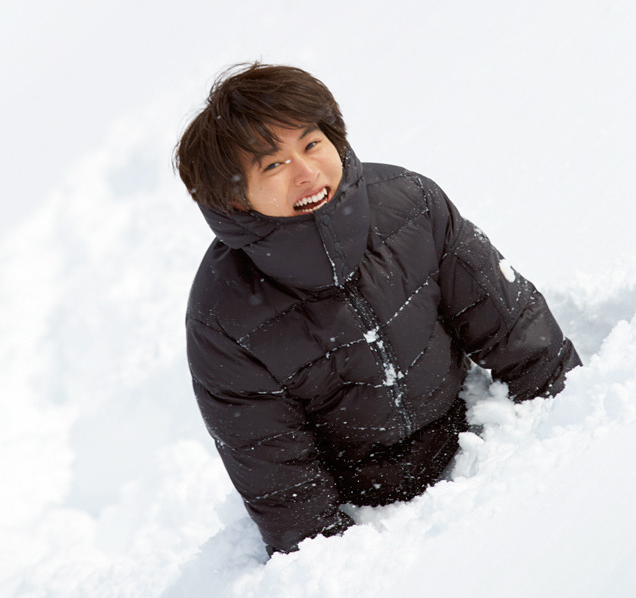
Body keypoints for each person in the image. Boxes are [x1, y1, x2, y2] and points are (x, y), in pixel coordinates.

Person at [174, 62, 580, 556]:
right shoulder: (224, 317)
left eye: (311, 144)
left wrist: (574, 439)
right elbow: (283, 485)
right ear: (235, 196)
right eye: (273, 165)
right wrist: (350, 562)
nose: (306, 173)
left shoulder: (411, 205)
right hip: (372, 521)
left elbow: (516, 332)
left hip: (482, 448)